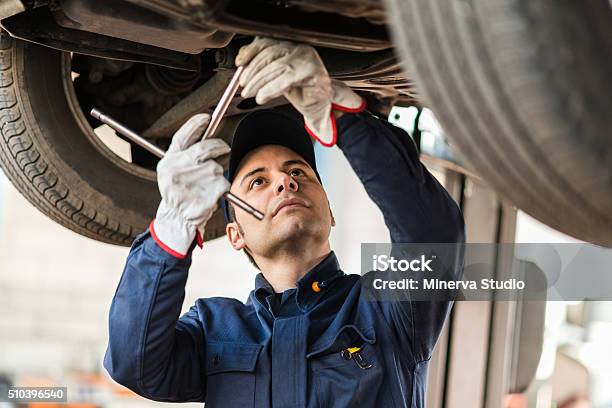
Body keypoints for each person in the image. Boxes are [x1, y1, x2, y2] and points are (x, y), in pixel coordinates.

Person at [103, 37, 465, 407]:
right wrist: (171, 227)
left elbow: (432, 236)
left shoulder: (385, 309)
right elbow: (133, 363)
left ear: (331, 213)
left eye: (299, 173)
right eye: (258, 181)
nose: (284, 181)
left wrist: (341, 116)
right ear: (235, 234)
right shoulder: (215, 329)